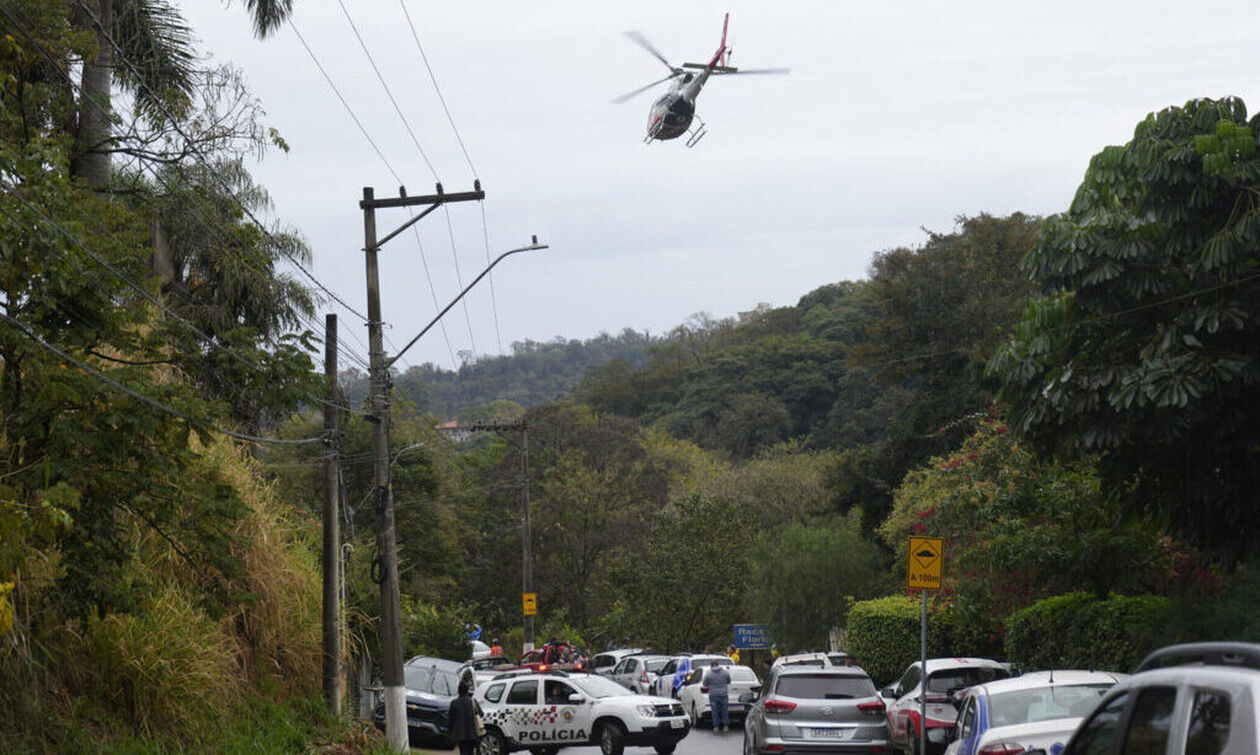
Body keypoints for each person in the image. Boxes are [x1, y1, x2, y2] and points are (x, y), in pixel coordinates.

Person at [448, 679, 483, 755]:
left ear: (458, 691)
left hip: (460, 734)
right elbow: (481, 714)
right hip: (473, 733)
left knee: (463, 751)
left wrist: (450, 733)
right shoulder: (472, 702)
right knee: (471, 751)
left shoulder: (454, 703)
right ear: (467, 690)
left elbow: (451, 719)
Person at [701, 658, 733, 732]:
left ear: (711, 665)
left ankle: (716, 726)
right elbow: (728, 681)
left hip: (713, 694)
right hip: (723, 693)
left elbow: (705, 684)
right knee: (724, 710)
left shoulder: (708, 673)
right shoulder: (725, 672)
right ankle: (725, 726)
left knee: (714, 711)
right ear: (718, 664)